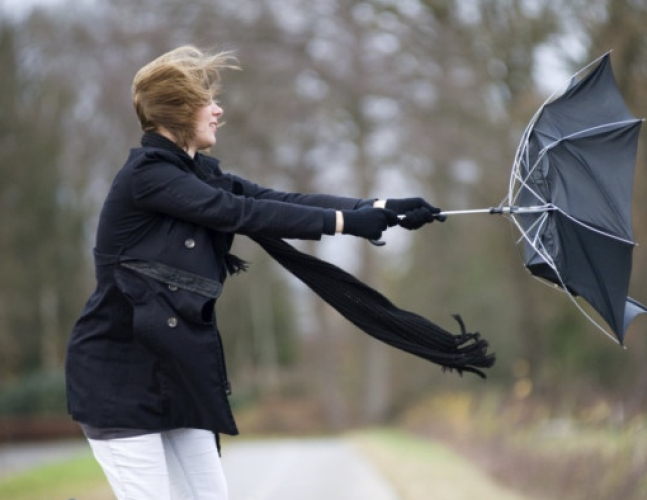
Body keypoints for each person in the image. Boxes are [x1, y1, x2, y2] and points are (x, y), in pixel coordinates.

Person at [64, 45, 443, 500]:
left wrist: (378, 208)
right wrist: (345, 224)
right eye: (208, 102)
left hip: (177, 375)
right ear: (180, 111)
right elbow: (237, 212)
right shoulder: (148, 176)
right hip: (119, 381)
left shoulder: (196, 172)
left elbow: (276, 200)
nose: (218, 110)